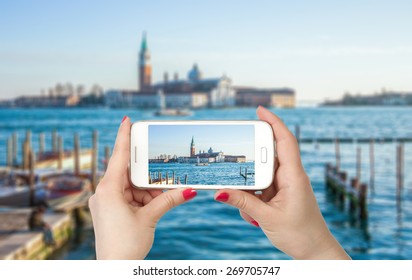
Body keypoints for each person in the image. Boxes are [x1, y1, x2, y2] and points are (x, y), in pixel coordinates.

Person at [89, 107, 351, 260]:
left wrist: (115, 263)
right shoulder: (195, 153)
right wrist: (316, 248)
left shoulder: (208, 155)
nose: (193, 149)